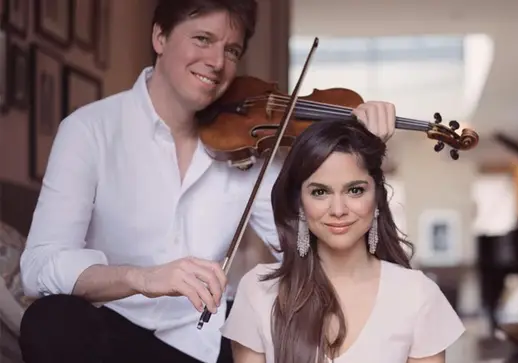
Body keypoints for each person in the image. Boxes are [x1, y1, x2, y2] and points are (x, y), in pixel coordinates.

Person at [17, 1, 397, 363]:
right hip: (114, 332)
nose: (217, 62)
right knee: (50, 320)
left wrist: (360, 158)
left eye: (231, 51)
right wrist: (142, 278)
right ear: (160, 37)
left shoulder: (249, 145)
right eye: (203, 39)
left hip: (207, 339)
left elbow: (310, 250)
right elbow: (39, 266)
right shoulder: (89, 130)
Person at [220, 119, 466, 363]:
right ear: (300, 204)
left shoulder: (417, 294)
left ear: (377, 197)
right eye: (320, 192)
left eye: (355, 190)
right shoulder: (258, 290)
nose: (338, 209)